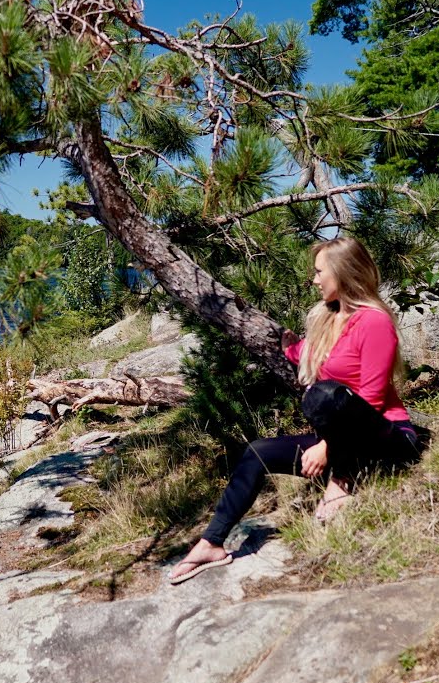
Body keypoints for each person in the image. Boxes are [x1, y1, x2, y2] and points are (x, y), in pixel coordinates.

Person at [167, 237, 421, 585]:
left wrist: (326, 447)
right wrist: (290, 348)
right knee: (257, 451)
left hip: (388, 440)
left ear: (343, 273)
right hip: (345, 442)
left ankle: (340, 483)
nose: (314, 280)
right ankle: (211, 542)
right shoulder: (329, 320)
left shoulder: (374, 322)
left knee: (322, 395)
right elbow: (316, 358)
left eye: (319, 272)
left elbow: (372, 399)